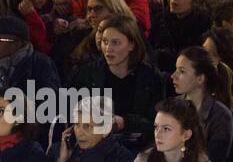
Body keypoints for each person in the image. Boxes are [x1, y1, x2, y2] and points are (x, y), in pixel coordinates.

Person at [69, 16, 165, 144]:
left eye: (116, 42)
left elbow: (157, 121)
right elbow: (72, 112)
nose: (108, 48)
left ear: (131, 45)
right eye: (105, 41)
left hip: (138, 146)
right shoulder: (87, 74)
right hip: (96, 145)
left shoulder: (151, 78)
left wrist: (125, 122)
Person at [171, 46, 233, 162]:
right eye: (176, 70)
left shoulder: (221, 116)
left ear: (200, 78)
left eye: (182, 71)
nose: (173, 76)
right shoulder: (172, 107)